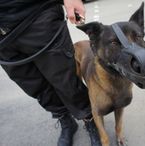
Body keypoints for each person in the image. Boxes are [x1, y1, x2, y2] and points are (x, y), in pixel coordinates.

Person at [0, 0, 101, 146]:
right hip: (3, 42)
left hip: (36, 16)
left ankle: (90, 120)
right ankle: (66, 121)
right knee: (37, 88)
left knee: (67, 81)